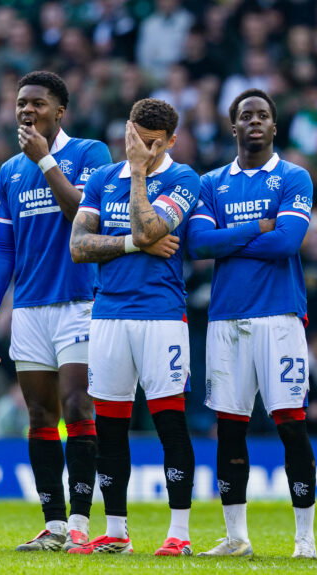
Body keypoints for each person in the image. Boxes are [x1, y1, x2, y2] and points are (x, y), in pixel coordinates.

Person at [0, 71, 111, 552]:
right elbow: (4, 248)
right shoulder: (10, 171)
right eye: (20, 104)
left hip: (80, 300)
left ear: (60, 111)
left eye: (37, 103)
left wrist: (47, 160)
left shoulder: (91, 155)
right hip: (30, 309)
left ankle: (81, 523)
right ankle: (53, 524)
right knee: (38, 415)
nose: (26, 111)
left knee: (78, 405)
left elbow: (82, 215)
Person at [186, 89, 317, 559]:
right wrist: (255, 228)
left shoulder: (294, 176)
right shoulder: (211, 182)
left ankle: (305, 538)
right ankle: (236, 537)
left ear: (274, 126)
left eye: (263, 115)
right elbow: (199, 244)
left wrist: (230, 239)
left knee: (290, 423)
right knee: (230, 425)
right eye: (246, 116)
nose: (255, 122)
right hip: (227, 318)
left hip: (279, 317)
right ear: (234, 126)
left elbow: (288, 242)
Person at [68, 98, 198, 556]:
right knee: (109, 427)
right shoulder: (103, 178)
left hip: (160, 315)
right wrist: (131, 243)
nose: (136, 149)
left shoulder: (183, 178)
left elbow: (151, 229)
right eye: (132, 137)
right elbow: (80, 247)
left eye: (149, 144)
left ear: (170, 142)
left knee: (169, 424)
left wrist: (141, 174)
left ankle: (179, 533)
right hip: (108, 314)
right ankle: (117, 531)